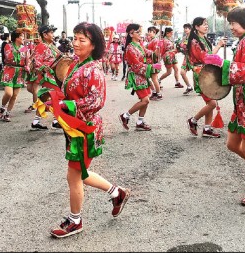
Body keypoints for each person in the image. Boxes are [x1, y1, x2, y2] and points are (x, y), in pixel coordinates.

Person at [47, 22, 130, 238]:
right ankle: (116, 193)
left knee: (74, 175)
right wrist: (55, 100)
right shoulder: (75, 64)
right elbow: (68, 90)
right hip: (74, 126)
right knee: (79, 173)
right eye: (75, 38)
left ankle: (75, 220)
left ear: (93, 45)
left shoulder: (93, 69)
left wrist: (66, 105)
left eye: (82, 40)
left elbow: (97, 100)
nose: (75, 43)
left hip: (85, 129)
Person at [203, 5, 245, 206]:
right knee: (232, 144)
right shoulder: (244, 41)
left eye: (233, 23)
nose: (231, 26)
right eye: (230, 23)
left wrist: (222, 64)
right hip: (243, 99)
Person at [186, 17, 226, 138]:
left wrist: (219, 47)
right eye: (203, 24)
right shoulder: (195, 42)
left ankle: (207, 129)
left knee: (210, 101)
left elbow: (210, 56)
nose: (206, 26)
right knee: (212, 103)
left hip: (207, 72)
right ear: (196, 27)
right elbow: (206, 58)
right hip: (201, 73)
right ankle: (193, 120)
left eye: (207, 24)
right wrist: (218, 46)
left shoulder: (204, 39)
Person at [119, 23, 161, 131]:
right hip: (137, 75)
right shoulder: (130, 49)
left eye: (140, 32)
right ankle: (125, 116)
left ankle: (140, 121)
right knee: (145, 100)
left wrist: (155, 52)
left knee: (146, 98)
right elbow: (136, 65)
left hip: (142, 75)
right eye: (138, 32)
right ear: (131, 34)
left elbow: (147, 53)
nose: (140, 34)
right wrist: (151, 67)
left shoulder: (139, 44)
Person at [28, 25, 62, 129]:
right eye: (51, 33)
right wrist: (46, 68)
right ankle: (56, 121)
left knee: (44, 98)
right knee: (57, 95)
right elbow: (36, 61)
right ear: (45, 34)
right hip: (46, 76)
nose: (53, 35)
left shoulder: (52, 46)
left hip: (53, 75)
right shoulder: (41, 46)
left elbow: (60, 57)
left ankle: (36, 122)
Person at [0, 29, 29, 122]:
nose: (23, 38)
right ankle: (2, 107)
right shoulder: (8, 46)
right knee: (9, 93)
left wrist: (27, 66)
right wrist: (18, 51)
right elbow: (9, 58)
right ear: (17, 38)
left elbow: (27, 60)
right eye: (22, 36)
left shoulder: (25, 49)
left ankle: (8, 113)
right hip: (9, 71)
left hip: (20, 72)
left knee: (14, 95)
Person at [143, 26, 163, 100]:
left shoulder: (156, 41)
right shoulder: (150, 40)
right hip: (148, 62)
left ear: (154, 32)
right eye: (148, 31)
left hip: (154, 62)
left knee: (154, 78)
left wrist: (148, 51)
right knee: (148, 78)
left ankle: (158, 93)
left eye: (150, 31)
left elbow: (156, 54)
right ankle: (154, 92)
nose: (149, 33)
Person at [178, 23, 194, 94]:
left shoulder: (194, 37)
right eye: (184, 28)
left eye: (187, 28)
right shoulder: (184, 38)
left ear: (190, 29)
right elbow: (182, 46)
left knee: (197, 74)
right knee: (182, 72)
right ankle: (189, 87)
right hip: (186, 57)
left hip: (194, 58)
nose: (185, 30)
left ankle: (202, 88)